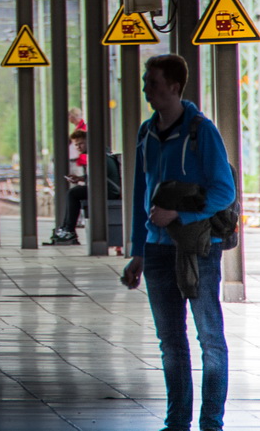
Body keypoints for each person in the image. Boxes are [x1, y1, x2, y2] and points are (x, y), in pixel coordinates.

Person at [122, 54, 234, 431]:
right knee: (170, 341)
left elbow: (225, 191)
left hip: (198, 249)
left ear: (173, 85)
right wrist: (137, 251)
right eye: (145, 81)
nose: (145, 88)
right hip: (155, 251)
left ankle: (211, 422)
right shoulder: (145, 132)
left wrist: (180, 216)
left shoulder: (202, 131)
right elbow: (142, 193)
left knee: (209, 338)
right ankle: (176, 422)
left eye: (151, 82)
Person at [47, 129, 121, 245]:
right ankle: (66, 228)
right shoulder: (99, 154)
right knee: (74, 192)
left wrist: (82, 179)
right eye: (76, 144)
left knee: (73, 193)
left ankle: (69, 229)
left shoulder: (98, 156)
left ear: (89, 142)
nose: (78, 147)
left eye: (81, 143)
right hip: (105, 189)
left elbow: (98, 177)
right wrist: (80, 178)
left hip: (109, 191)